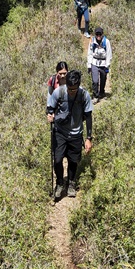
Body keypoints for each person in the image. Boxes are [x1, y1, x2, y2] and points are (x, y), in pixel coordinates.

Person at [47, 69, 93, 200]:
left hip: (76, 133)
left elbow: (89, 116)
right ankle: (60, 183)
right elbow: (50, 108)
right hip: (60, 132)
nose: (71, 91)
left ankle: (71, 183)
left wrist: (88, 138)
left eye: (74, 89)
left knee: (73, 161)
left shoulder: (84, 95)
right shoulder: (59, 92)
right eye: (69, 88)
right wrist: (50, 115)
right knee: (57, 159)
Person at [87, 26, 112, 99]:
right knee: (95, 81)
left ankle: (102, 92)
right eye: (97, 34)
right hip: (94, 63)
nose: (98, 36)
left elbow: (109, 54)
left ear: (102, 34)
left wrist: (107, 65)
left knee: (103, 79)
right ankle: (95, 95)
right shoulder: (92, 42)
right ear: (95, 34)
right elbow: (90, 53)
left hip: (103, 63)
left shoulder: (106, 42)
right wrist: (89, 65)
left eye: (100, 34)